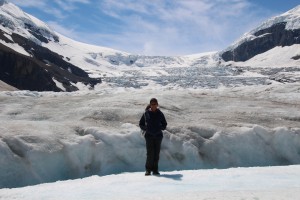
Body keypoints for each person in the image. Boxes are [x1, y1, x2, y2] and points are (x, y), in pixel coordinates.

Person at [139, 98, 167, 176]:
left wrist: (160, 127)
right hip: (149, 136)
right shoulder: (146, 113)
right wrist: (146, 129)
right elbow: (141, 124)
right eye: (152, 104)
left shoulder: (160, 114)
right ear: (150, 105)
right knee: (150, 154)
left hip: (158, 136)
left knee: (156, 154)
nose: (153, 105)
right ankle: (148, 170)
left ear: (157, 105)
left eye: (155, 104)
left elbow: (164, 124)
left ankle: (155, 170)